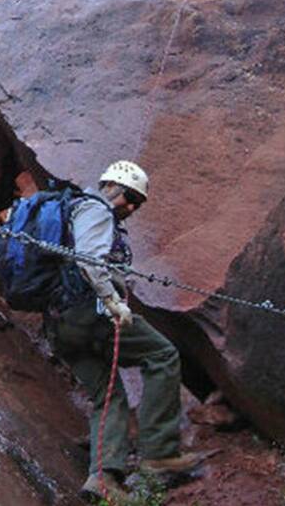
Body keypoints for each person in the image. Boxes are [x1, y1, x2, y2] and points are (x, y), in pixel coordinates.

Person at [44, 160, 205, 501]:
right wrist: (114, 302)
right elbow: (89, 261)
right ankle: (160, 452)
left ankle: (103, 480)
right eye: (129, 197)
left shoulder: (69, 211)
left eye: (137, 203)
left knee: (109, 395)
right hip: (90, 314)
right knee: (162, 354)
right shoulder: (96, 210)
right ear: (111, 186)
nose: (131, 207)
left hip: (59, 323)